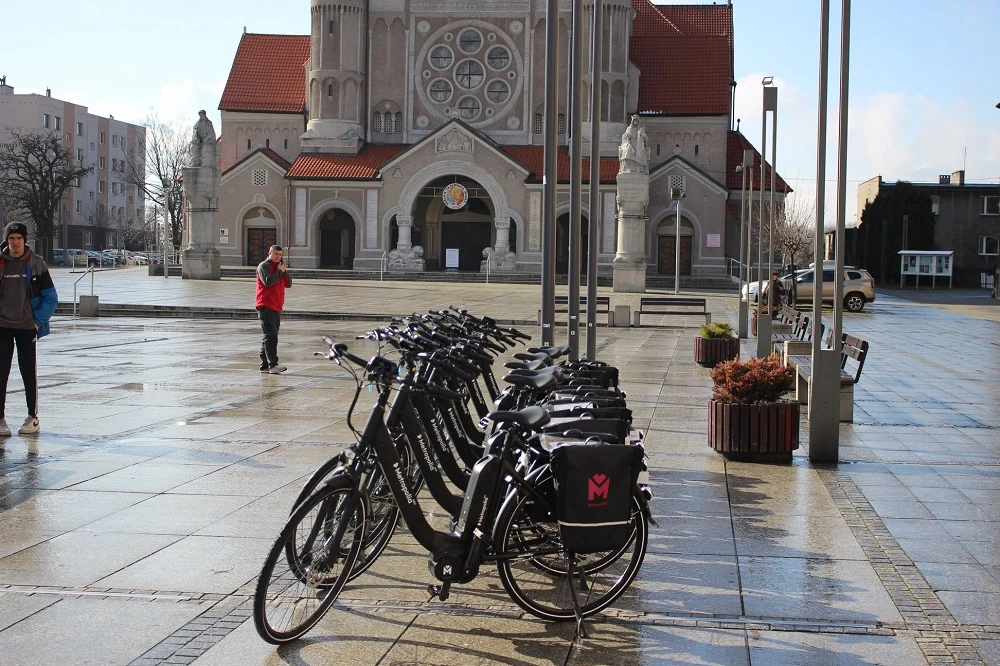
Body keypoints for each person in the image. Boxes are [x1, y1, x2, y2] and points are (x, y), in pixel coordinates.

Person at [0, 222, 58, 436]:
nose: (15, 243)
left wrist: (36, 322)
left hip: (27, 327)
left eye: (19, 239)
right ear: (7, 240)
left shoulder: (36, 263)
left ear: (25, 240)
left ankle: (33, 418)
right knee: (1, 372)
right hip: (2, 326)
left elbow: (51, 298)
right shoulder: (1, 262)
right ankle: (0, 419)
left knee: (28, 372)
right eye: (11, 239)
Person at [256, 245, 292, 374]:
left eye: (280, 254)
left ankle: (265, 365)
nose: (278, 256)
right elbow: (268, 281)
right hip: (266, 306)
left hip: (277, 306)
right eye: (276, 254)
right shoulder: (263, 266)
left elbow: (288, 284)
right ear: (269, 253)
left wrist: (284, 271)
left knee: (269, 336)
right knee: (271, 336)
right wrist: (279, 272)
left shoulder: (279, 268)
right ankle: (273, 365)